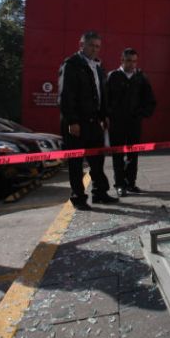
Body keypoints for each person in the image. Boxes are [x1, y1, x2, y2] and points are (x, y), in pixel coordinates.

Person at [58, 31, 117, 210]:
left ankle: (100, 193)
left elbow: (101, 95)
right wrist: (72, 121)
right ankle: (79, 198)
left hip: (94, 122)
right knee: (76, 164)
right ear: (81, 45)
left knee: (97, 162)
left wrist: (104, 115)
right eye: (91, 45)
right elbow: (65, 96)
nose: (95, 49)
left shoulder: (97, 67)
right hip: (76, 123)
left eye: (98, 46)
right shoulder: (71, 65)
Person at [106, 48, 156, 197]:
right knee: (118, 155)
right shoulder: (113, 76)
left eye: (134, 61)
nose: (132, 64)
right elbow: (105, 100)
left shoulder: (141, 78)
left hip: (134, 123)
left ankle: (131, 183)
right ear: (122, 60)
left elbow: (150, 100)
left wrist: (142, 114)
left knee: (133, 154)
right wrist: (107, 117)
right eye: (128, 60)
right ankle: (120, 184)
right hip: (117, 123)